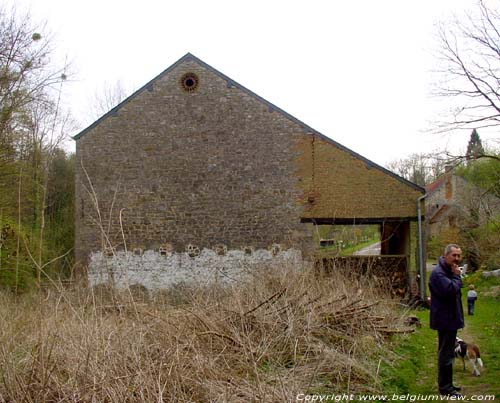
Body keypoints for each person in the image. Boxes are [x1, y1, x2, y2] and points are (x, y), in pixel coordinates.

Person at [429, 244, 464, 397]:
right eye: (454, 255)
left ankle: (448, 385)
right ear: (446, 256)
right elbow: (450, 290)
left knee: (448, 353)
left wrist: (455, 276)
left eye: (458, 256)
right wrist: (457, 276)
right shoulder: (439, 273)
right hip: (445, 320)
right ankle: (445, 388)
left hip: (450, 318)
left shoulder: (448, 271)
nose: (457, 259)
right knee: (446, 355)